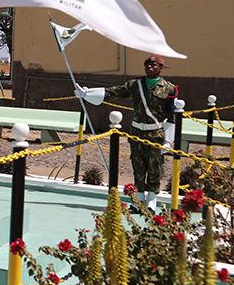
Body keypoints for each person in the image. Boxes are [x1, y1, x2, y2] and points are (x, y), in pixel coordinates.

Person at [75, 54, 178, 212]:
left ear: (161, 68)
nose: (149, 67)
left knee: (155, 167)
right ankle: (138, 199)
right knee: (138, 166)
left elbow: (171, 116)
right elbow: (114, 91)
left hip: (155, 133)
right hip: (136, 132)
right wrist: (87, 94)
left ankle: (152, 199)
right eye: (147, 65)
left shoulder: (169, 89)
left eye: (154, 65)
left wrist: (168, 141)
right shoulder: (135, 84)